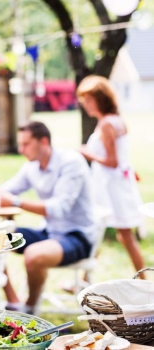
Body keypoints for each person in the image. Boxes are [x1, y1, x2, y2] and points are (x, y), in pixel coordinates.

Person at [0, 121, 96, 314]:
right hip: (49, 232)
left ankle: (29, 309)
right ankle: (13, 301)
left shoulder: (71, 162)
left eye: (26, 144)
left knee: (33, 254)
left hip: (77, 237)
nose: (20, 149)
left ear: (43, 141)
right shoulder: (32, 166)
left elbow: (58, 208)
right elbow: (6, 191)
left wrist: (16, 202)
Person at [77, 75, 146, 279]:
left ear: (101, 99)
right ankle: (83, 279)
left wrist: (88, 154)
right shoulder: (115, 120)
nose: (86, 105)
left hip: (112, 188)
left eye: (89, 100)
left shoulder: (107, 124)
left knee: (124, 235)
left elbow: (113, 161)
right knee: (102, 232)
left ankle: (144, 281)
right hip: (115, 185)